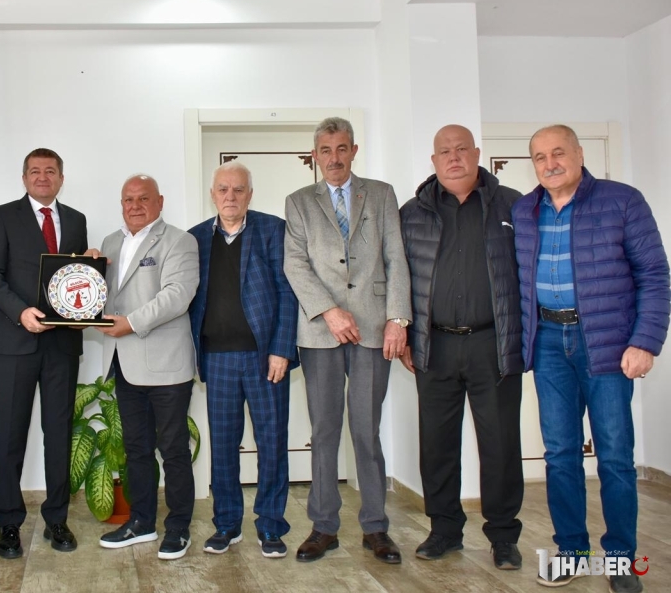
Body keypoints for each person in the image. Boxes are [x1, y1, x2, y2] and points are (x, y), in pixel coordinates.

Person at [513, 124, 669, 592]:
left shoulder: (622, 201)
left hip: (606, 343)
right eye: (540, 157)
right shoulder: (523, 211)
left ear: (579, 154)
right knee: (560, 455)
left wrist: (645, 342)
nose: (550, 164)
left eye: (558, 152)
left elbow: (654, 275)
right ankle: (573, 553)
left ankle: (620, 561)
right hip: (547, 343)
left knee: (615, 457)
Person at [283, 116, 411, 565]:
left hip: (375, 329)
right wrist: (329, 311)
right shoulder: (299, 202)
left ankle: (376, 527)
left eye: (341, 149)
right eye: (325, 150)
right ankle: (324, 527)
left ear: (354, 151)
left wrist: (398, 319)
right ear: (315, 156)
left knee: (365, 430)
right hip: (320, 332)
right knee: (324, 431)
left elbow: (396, 257)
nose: (334, 158)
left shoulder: (381, 193)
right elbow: (295, 264)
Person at [398, 125, 524, 570]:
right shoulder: (412, 212)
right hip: (435, 346)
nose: (453, 158)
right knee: (437, 444)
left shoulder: (511, 205)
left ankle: (503, 536)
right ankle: (445, 529)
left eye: (461, 149)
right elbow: (398, 278)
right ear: (433, 161)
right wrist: (405, 331)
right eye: (444, 152)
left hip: (494, 344)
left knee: (501, 444)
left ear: (477, 154)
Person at [187, 161, 298, 558]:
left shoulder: (273, 230)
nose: (230, 196)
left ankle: (271, 526)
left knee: (272, 443)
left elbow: (288, 292)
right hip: (216, 359)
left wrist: (282, 348)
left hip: (265, 358)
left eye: (238, 189)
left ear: (250, 194)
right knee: (222, 447)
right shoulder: (196, 238)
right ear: (212, 194)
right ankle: (227, 524)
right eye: (223, 189)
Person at [0, 148, 87, 558]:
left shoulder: (76, 220)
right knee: (11, 435)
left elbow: (75, 277)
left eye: (50, 171)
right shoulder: (2, 216)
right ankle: (9, 524)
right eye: (35, 171)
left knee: (59, 434)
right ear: (24, 178)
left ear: (61, 177)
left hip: (62, 346)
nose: (43, 177)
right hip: (15, 343)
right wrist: (20, 312)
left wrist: (91, 268)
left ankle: (57, 518)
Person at [96, 175, 200, 560]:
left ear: (160, 201)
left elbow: (177, 295)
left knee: (172, 449)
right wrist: (86, 268)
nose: (135, 206)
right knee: (135, 448)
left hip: (166, 365)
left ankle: (178, 527)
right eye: (128, 199)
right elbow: (102, 294)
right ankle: (141, 522)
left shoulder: (179, 241)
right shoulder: (110, 242)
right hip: (125, 364)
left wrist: (131, 323)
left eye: (143, 198)